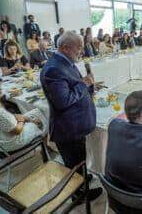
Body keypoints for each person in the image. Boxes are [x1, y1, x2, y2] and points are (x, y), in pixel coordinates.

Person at [40, 31, 102, 200]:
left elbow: (72, 85)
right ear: (65, 47)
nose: (82, 50)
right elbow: (63, 100)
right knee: (74, 163)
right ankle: (79, 194)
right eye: (79, 47)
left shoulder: (66, 61)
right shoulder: (53, 69)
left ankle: (81, 177)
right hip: (68, 128)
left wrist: (88, 87)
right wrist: (84, 84)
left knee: (79, 160)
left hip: (75, 124)